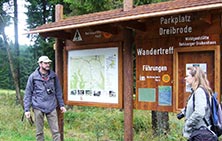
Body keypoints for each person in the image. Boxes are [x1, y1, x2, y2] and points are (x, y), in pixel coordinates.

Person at [24, 56, 66, 141]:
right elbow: (28, 93)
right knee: (39, 132)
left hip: (51, 106)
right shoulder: (33, 77)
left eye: (49, 63)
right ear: (40, 64)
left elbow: (58, 91)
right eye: (45, 63)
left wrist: (61, 105)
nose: (48, 65)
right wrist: (27, 109)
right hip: (38, 107)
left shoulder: (53, 76)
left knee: (56, 131)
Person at [178, 66, 215, 140]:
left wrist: (188, 124)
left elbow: (199, 112)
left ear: (195, 77)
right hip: (198, 133)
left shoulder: (199, 92)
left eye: (187, 76)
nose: (185, 78)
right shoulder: (196, 91)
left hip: (201, 135)